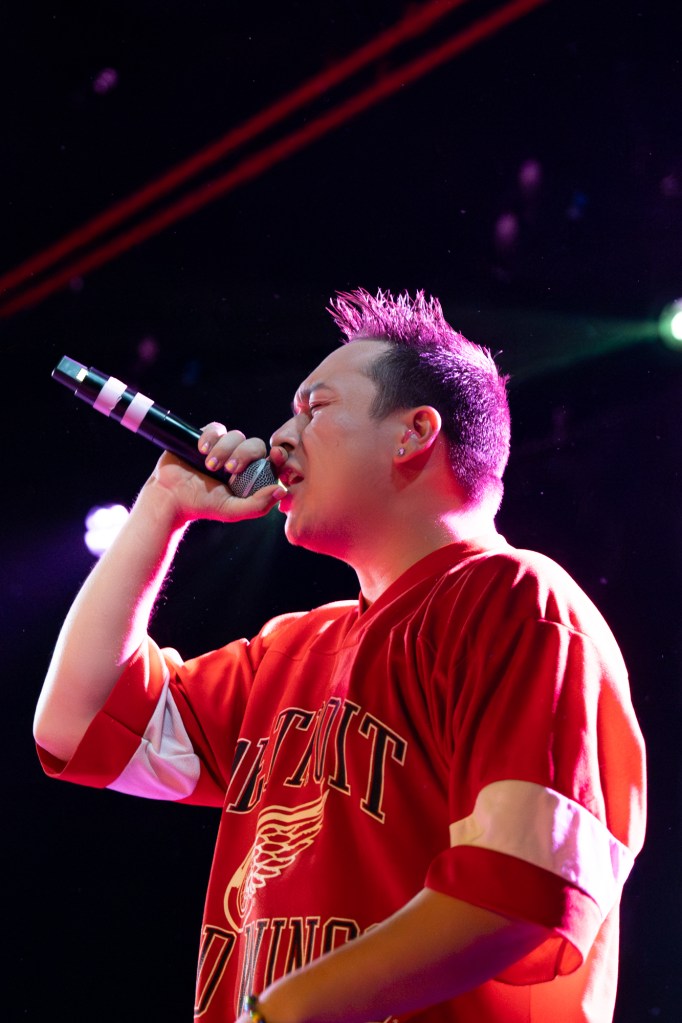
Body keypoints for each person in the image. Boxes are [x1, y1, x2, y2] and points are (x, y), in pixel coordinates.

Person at [34, 288, 646, 1023]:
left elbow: (522, 890)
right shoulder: (291, 651)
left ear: (414, 432)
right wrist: (162, 506)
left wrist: (282, 1011)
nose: (279, 439)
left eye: (315, 408)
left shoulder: (517, 601)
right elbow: (75, 723)